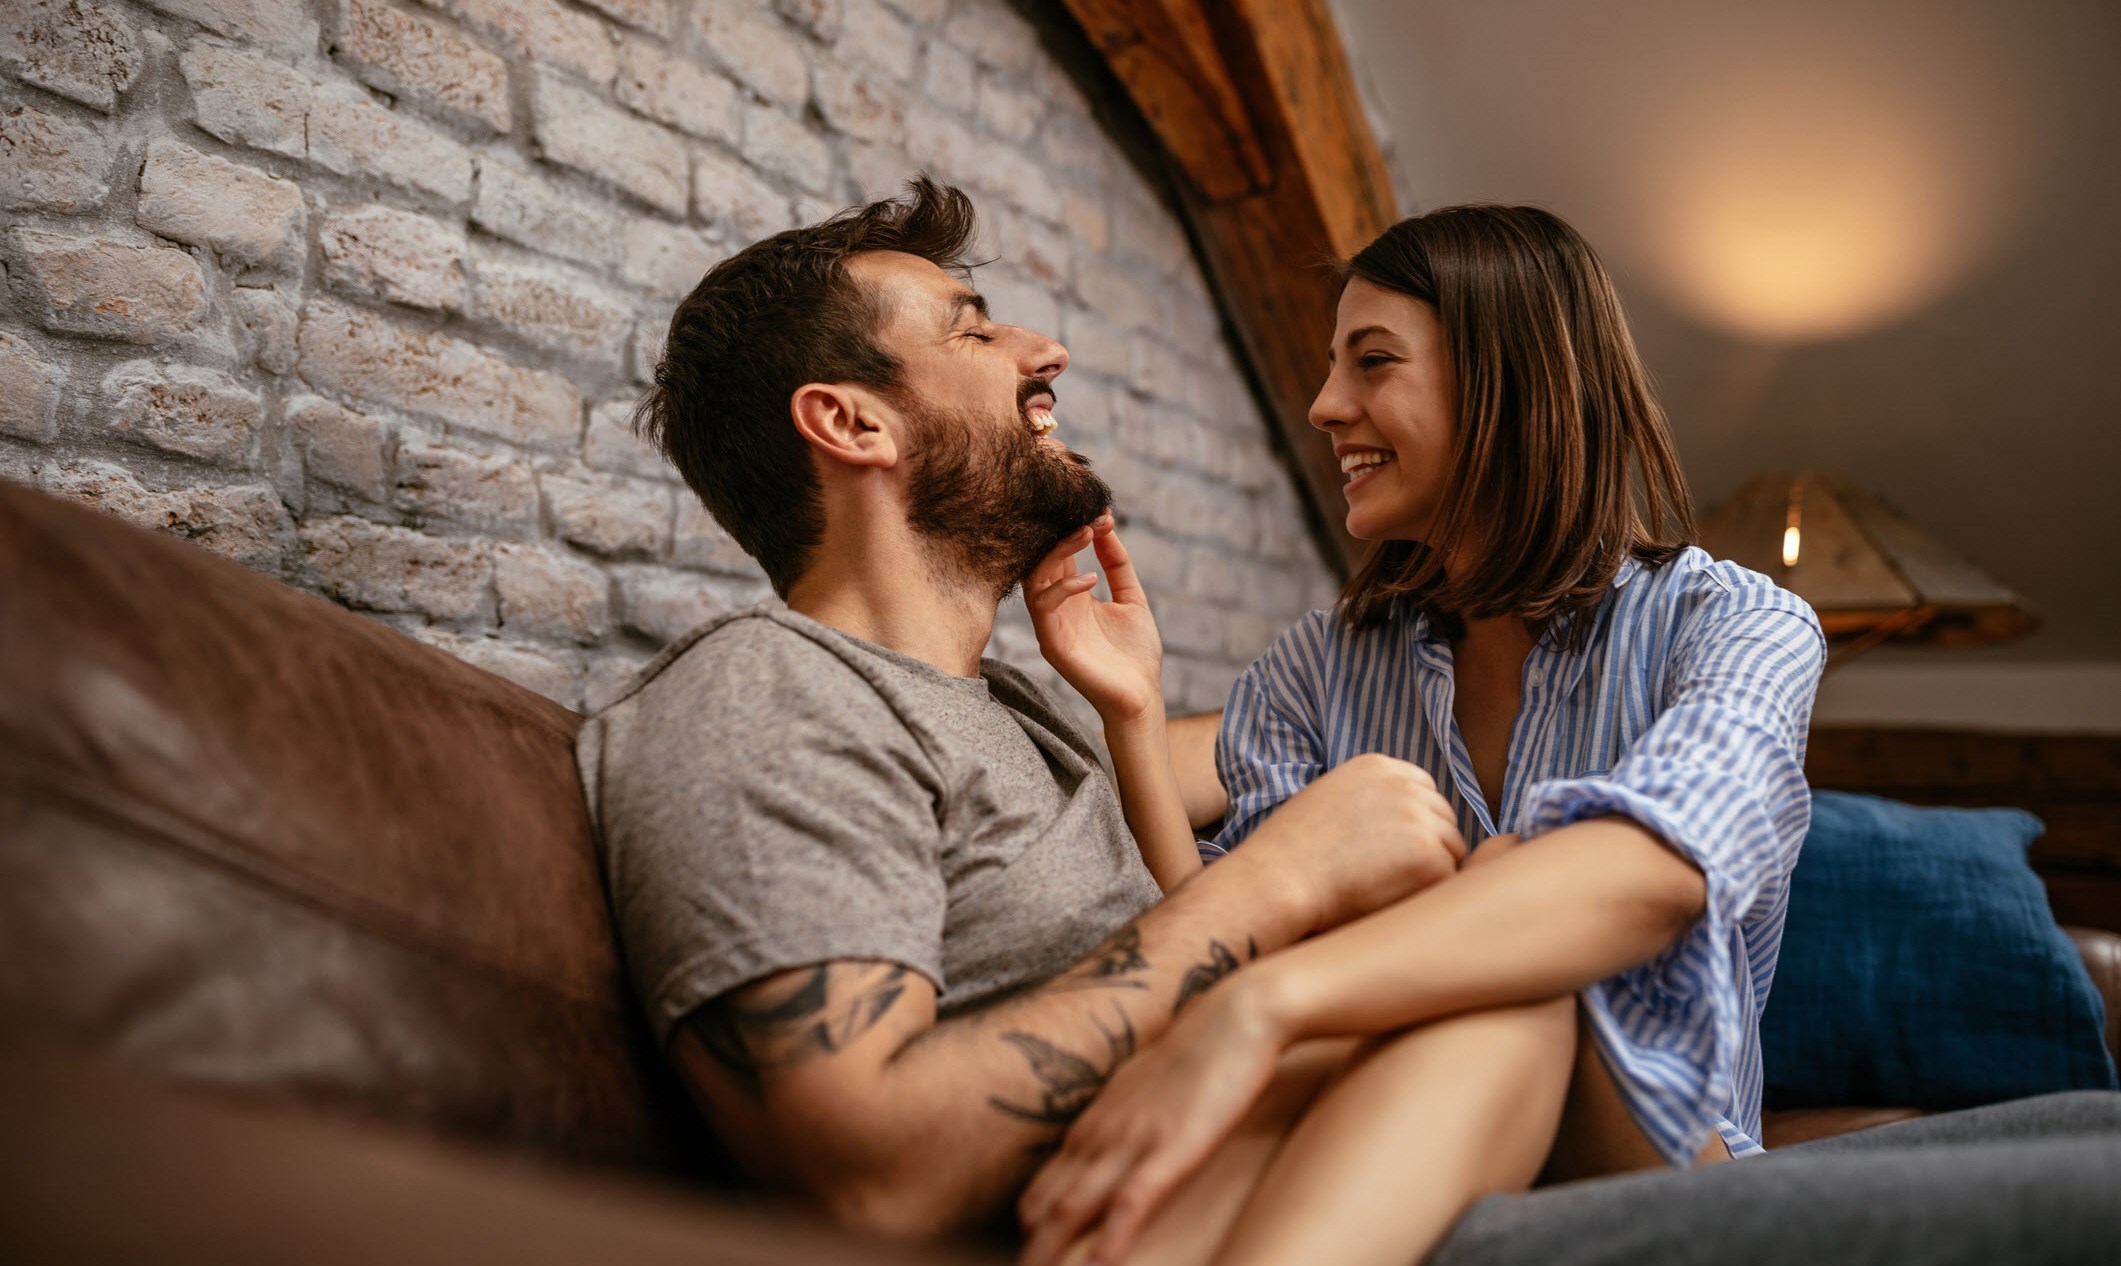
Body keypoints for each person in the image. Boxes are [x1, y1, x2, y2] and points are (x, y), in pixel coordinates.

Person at [576, 176, 1472, 1242]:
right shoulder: (762, 693)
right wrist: (1278, 881)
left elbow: (1260, 791)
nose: (1045, 352)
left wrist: (1136, 716)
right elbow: (871, 1176)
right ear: (853, 422)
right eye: (975, 330)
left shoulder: (1015, 709)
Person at [1010, 204, 1832, 1266]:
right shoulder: (1324, 662)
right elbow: (1219, 922)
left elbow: (1652, 874)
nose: (1323, 405)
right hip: (1388, 1117)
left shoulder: (1742, 628)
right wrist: (1132, 711)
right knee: (1453, 915)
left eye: (1374, 362)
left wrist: (1265, 1006)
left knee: (1509, 899)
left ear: (1511, 379)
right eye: (1329, 366)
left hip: (1653, 1161)